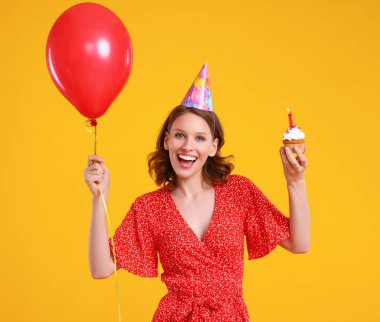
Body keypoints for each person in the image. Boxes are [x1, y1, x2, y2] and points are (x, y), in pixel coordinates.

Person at [85, 64, 310, 321]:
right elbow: (101, 268)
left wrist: (295, 182)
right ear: (168, 140)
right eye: (180, 135)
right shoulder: (149, 207)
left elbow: (299, 243)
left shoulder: (239, 192)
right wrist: (98, 198)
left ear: (213, 147)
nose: (188, 146)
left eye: (200, 138)